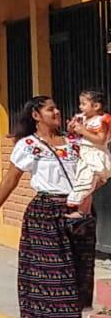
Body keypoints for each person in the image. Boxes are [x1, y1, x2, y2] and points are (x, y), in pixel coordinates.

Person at [0, 96, 96, 318]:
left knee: (80, 266)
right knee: (55, 269)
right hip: (46, 211)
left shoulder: (75, 141)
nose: (56, 111)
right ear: (36, 115)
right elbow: (10, 179)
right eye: (50, 109)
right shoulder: (27, 145)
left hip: (80, 207)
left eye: (56, 107)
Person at [65, 88, 111, 220]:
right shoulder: (82, 118)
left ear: (96, 106)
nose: (80, 107)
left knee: (86, 183)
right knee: (86, 183)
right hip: (84, 154)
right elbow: (72, 132)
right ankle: (83, 211)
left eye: (84, 104)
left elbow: (101, 140)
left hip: (95, 155)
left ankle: (78, 207)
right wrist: (72, 127)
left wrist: (83, 131)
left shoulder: (102, 120)